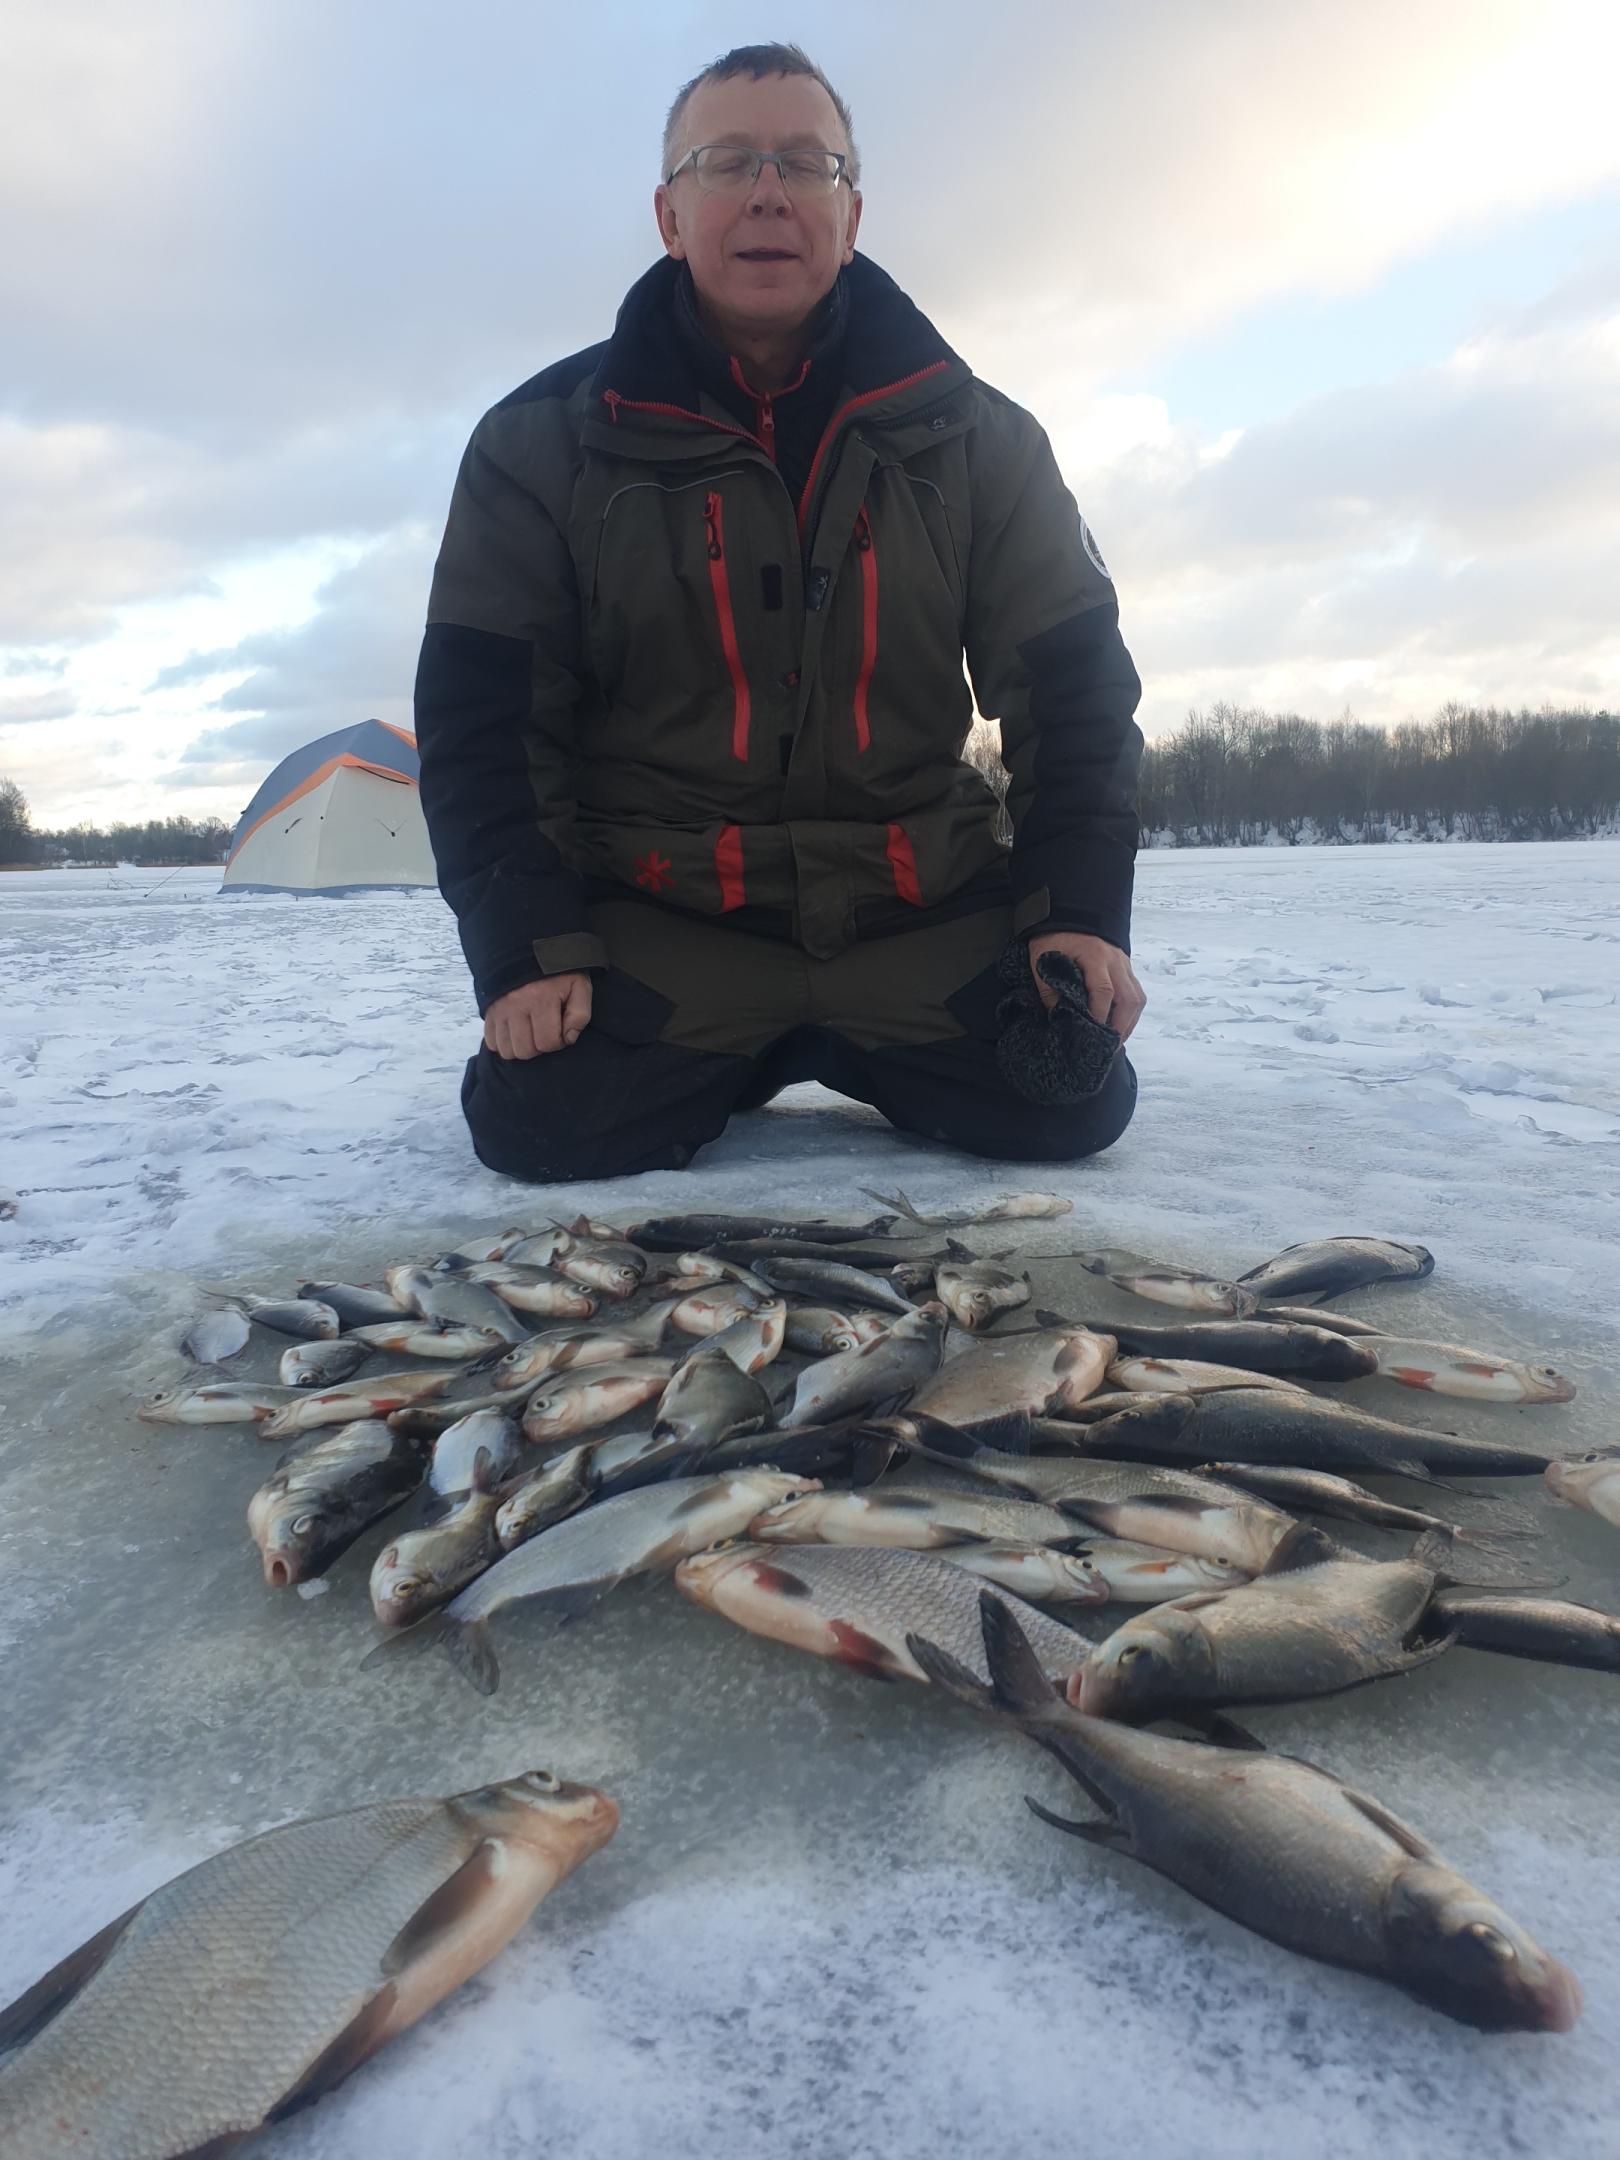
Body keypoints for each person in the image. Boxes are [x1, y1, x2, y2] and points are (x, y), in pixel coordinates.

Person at [415, 42, 1146, 1183]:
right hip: (669, 917)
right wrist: (528, 950)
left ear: (851, 216)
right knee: (541, 1118)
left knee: (1068, 1095)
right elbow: (485, 726)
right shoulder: (537, 444)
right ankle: (725, 1045)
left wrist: (1077, 914)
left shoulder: (982, 439)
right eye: (727, 162)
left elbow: (1076, 695)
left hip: (916, 908)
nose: (768, 191)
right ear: (670, 215)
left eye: (807, 165)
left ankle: (818, 1042)